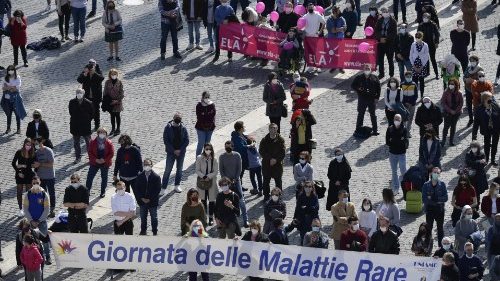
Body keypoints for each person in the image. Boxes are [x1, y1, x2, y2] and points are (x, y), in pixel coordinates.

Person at [23, 176, 51, 265]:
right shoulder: (27, 194)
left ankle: (48, 257)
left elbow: (47, 209)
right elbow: (25, 209)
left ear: (40, 183)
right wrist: (31, 220)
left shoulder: (44, 194)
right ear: (32, 183)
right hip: (31, 223)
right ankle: (37, 257)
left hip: (41, 222)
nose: (35, 185)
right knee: (33, 240)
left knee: (45, 240)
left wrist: (38, 221)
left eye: (37, 183)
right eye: (34, 183)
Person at [219, 141, 248, 226]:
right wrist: (226, 181)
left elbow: (240, 168)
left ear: (232, 147)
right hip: (227, 183)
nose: (227, 148)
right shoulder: (222, 157)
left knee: (241, 201)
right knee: (225, 201)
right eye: (226, 146)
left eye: (229, 146)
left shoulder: (237, 155)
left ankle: (245, 219)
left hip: (236, 182)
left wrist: (235, 178)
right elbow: (221, 170)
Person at [161, 112, 189, 193]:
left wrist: (180, 150)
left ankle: (177, 185)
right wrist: (174, 150)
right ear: (173, 118)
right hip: (171, 152)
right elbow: (166, 140)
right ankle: (163, 187)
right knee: (167, 170)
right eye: (176, 117)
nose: (178, 119)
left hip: (181, 152)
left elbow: (186, 140)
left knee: (179, 170)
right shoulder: (168, 127)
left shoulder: (183, 127)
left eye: (179, 118)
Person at [133, 159, 161, 236]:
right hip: (142, 202)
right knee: (143, 218)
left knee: (154, 218)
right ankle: (143, 231)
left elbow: (157, 190)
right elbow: (136, 189)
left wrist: (149, 199)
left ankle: (155, 231)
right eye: (145, 164)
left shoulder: (156, 177)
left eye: (148, 164)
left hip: (152, 201)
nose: (147, 166)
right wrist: (141, 198)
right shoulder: (139, 176)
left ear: (152, 165)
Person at [351, 64, 381, 135]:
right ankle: (358, 129)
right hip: (362, 99)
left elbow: (378, 88)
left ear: (371, 70)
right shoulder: (359, 77)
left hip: (371, 99)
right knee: (361, 114)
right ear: (363, 70)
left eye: (368, 69)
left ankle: (375, 130)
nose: (367, 70)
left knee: (373, 115)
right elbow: (353, 85)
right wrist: (358, 88)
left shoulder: (375, 78)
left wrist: (377, 98)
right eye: (366, 69)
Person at [422, 167, 448, 247]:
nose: (436, 174)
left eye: (438, 173)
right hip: (429, 210)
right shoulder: (426, 185)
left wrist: (436, 199)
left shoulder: (442, 184)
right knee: (428, 229)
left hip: (439, 210)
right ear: (431, 173)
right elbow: (424, 199)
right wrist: (434, 201)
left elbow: (445, 198)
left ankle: (441, 247)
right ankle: (427, 246)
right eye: (434, 172)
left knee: (440, 229)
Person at [259, 123, 285, 200]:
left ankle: (278, 196)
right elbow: (261, 151)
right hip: (267, 164)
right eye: (271, 128)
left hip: (277, 165)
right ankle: (266, 196)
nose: (273, 130)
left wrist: (276, 160)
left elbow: (282, 152)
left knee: (278, 181)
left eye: (274, 128)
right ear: (269, 129)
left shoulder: (280, 140)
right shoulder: (264, 140)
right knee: (266, 181)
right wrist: (270, 159)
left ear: (277, 129)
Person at [86, 128, 114, 198]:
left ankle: (102, 191)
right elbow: (89, 152)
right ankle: (87, 191)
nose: (102, 134)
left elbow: (111, 153)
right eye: (101, 132)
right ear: (98, 133)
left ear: (106, 134)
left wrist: (104, 160)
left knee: (104, 178)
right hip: (95, 162)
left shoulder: (109, 142)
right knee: (90, 177)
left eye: (104, 133)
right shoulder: (92, 142)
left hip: (105, 163)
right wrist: (96, 159)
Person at [473, 92, 500, 165]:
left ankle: (493, 159)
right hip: (486, 130)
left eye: (491, 97)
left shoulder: (496, 106)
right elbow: (476, 123)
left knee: (495, 145)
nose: (491, 99)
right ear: (484, 100)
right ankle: (487, 159)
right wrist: (474, 135)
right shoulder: (479, 109)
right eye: (489, 98)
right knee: (487, 145)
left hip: (496, 130)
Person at [195, 143, 218, 225]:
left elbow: (215, 171)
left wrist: (208, 176)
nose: (208, 150)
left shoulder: (214, 159)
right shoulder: (199, 158)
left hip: (211, 182)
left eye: (209, 149)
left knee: (211, 201)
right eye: (206, 149)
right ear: (204, 149)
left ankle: (211, 218)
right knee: (203, 200)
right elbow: (197, 170)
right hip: (202, 182)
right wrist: (204, 177)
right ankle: (204, 217)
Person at [69, 88, 93, 164]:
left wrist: (86, 119)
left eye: (80, 93)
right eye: (77, 92)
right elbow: (71, 112)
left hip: (85, 126)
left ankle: (91, 157)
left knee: (88, 143)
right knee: (76, 143)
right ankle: (78, 157)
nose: (79, 94)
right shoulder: (72, 102)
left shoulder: (88, 103)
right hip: (75, 126)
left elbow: (92, 114)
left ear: (83, 94)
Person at [77, 63, 104, 131]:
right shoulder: (85, 73)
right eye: (90, 70)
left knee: (96, 111)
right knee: (87, 111)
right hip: (87, 96)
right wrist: (84, 74)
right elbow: (79, 80)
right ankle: (87, 124)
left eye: (91, 69)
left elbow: (101, 78)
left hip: (96, 96)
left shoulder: (97, 71)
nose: (90, 71)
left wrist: (94, 73)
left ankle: (97, 124)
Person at [33, 137, 56, 218]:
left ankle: (52, 209)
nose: (36, 145)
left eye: (37, 143)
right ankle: (44, 209)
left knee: (51, 193)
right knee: (42, 194)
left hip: (49, 176)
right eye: (34, 144)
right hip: (41, 177)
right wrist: (34, 165)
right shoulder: (36, 153)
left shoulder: (48, 151)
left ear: (41, 143)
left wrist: (40, 164)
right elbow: (33, 164)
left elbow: (51, 164)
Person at [12, 138, 35, 217]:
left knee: (29, 192)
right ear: (24, 144)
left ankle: (28, 208)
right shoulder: (19, 152)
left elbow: (33, 164)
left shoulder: (32, 153)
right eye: (27, 145)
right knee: (19, 192)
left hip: (28, 174)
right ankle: (20, 209)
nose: (28, 146)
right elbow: (13, 163)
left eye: (30, 145)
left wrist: (23, 165)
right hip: (20, 174)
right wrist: (18, 172)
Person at [386, 114, 408, 194]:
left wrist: (394, 140)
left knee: (403, 171)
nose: (397, 121)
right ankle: (396, 187)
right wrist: (398, 140)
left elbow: (405, 141)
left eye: (398, 119)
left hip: (402, 154)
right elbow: (387, 141)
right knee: (394, 171)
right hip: (392, 153)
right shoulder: (390, 129)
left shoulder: (404, 129)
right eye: (395, 119)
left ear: (401, 120)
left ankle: (406, 188)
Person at [2, 65, 26, 134]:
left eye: (11, 70)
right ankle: (8, 128)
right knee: (8, 114)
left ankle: (18, 129)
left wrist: (8, 87)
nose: (10, 71)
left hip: (15, 99)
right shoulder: (5, 78)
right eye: (9, 70)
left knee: (17, 113)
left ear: (14, 70)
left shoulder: (17, 77)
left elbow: (16, 88)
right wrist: (11, 87)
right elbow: (3, 88)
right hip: (7, 99)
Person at [374, 7, 397, 79]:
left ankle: (391, 74)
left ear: (388, 12)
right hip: (380, 43)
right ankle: (381, 73)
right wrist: (380, 38)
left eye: (385, 11)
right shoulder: (379, 20)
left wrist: (386, 39)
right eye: (382, 11)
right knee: (380, 60)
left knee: (390, 60)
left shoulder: (393, 21)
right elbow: (376, 31)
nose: (384, 13)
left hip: (389, 44)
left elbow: (394, 33)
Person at [302, 2, 325, 72]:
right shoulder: (305, 16)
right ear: (307, 8)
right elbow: (301, 25)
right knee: (309, 52)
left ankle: (318, 67)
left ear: (313, 7)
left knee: (316, 52)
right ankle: (311, 66)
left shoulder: (317, 15)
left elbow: (323, 23)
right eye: (309, 7)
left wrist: (320, 32)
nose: (310, 8)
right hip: (307, 37)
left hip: (315, 37)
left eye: (311, 7)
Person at [440, 78, 463, 147]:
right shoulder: (446, 92)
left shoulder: (459, 93)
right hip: (447, 112)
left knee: (453, 126)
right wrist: (450, 110)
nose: (451, 85)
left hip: (456, 113)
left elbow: (461, 103)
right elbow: (443, 102)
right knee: (446, 127)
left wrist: (455, 111)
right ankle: (443, 140)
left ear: (456, 85)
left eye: (452, 84)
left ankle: (451, 141)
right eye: (450, 84)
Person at [417, 13, 440, 79]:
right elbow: (418, 35)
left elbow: (437, 34)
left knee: (433, 59)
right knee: (425, 59)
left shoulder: (433, 24)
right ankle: (427, 72)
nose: (425, 18)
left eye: (426, 17)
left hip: (431, 44)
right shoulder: (421, 25)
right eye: (424, 17)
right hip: (423, 45)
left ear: (429, 18)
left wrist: (436, 42)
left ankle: (436, 73)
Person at [102, 69, 124, 136]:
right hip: (110, 102)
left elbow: (122, 92)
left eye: (115, 74)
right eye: (112, 74)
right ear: (110, 75)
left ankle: (118, 129)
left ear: (117, 75)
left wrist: (117, 100)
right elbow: (105, 92)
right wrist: (106, 101)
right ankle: (113, 128)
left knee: (117, 115)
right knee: (112, 116)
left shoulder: (119, 82)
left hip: (117, 102)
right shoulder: (107, 82)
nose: (113, 75)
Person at [463, 55, 483, 126]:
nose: (472, 62)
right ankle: (471, 119)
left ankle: (477, 119)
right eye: (470, 61)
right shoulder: (468, 68)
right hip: (468, 89)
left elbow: (481, 81)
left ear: (477, 61)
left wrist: (473, 81)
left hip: (476, 91)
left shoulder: (480, 69)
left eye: (473, 61)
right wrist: (465, 79)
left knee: (477, 106)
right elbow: (464, 76)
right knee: (469, 105)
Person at [195, 91, 216, 156]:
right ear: (202, 97)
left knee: (207, 144)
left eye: (208, 97)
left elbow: (213, 115)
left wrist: (205, 114)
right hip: (201, 127)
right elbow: (200, 117)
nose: (207, 98)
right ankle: (198, 158)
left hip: (210, 127)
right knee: (201, 143)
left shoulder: (212, 105)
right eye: (205, 97)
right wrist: (208, 115)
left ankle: (207, 157)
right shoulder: (199, 106)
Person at [409, 31, 430, 97]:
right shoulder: (413, 44)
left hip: (422, 65)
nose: (417, 38)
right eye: (416, 37)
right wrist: (413, 66)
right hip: (414, 64)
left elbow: (426, 56)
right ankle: (415, 95)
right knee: (414, 81)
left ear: (421, 37)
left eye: (419, 37)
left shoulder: (425, 45)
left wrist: (422, 67)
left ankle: (421, 95)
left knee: (421, 81)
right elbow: (411, 55)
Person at [231, 121, 249, 185]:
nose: (244, 127)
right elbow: (241, 147)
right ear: (241, 128)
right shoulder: (236, 137)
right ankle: (238, 186)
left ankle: (240, 185)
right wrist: (249, 146)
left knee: (242, 172)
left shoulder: (241, 134)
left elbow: (246, 138)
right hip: (239, 158)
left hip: (243, 157)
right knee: (239, 173)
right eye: (243, 126)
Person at [401, 71, 418, 136]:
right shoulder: (402, 85)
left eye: (410, 77)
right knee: (404, 118)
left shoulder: (414, 84)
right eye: (407, 77)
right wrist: (405, 102)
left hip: (412, 104)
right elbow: (401, 95)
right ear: (405, 77)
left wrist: (411, 102)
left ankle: (408, 131)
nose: (409, 78)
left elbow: (416, 95)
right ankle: (404, 131)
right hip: (404, 104)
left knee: (410, 118)